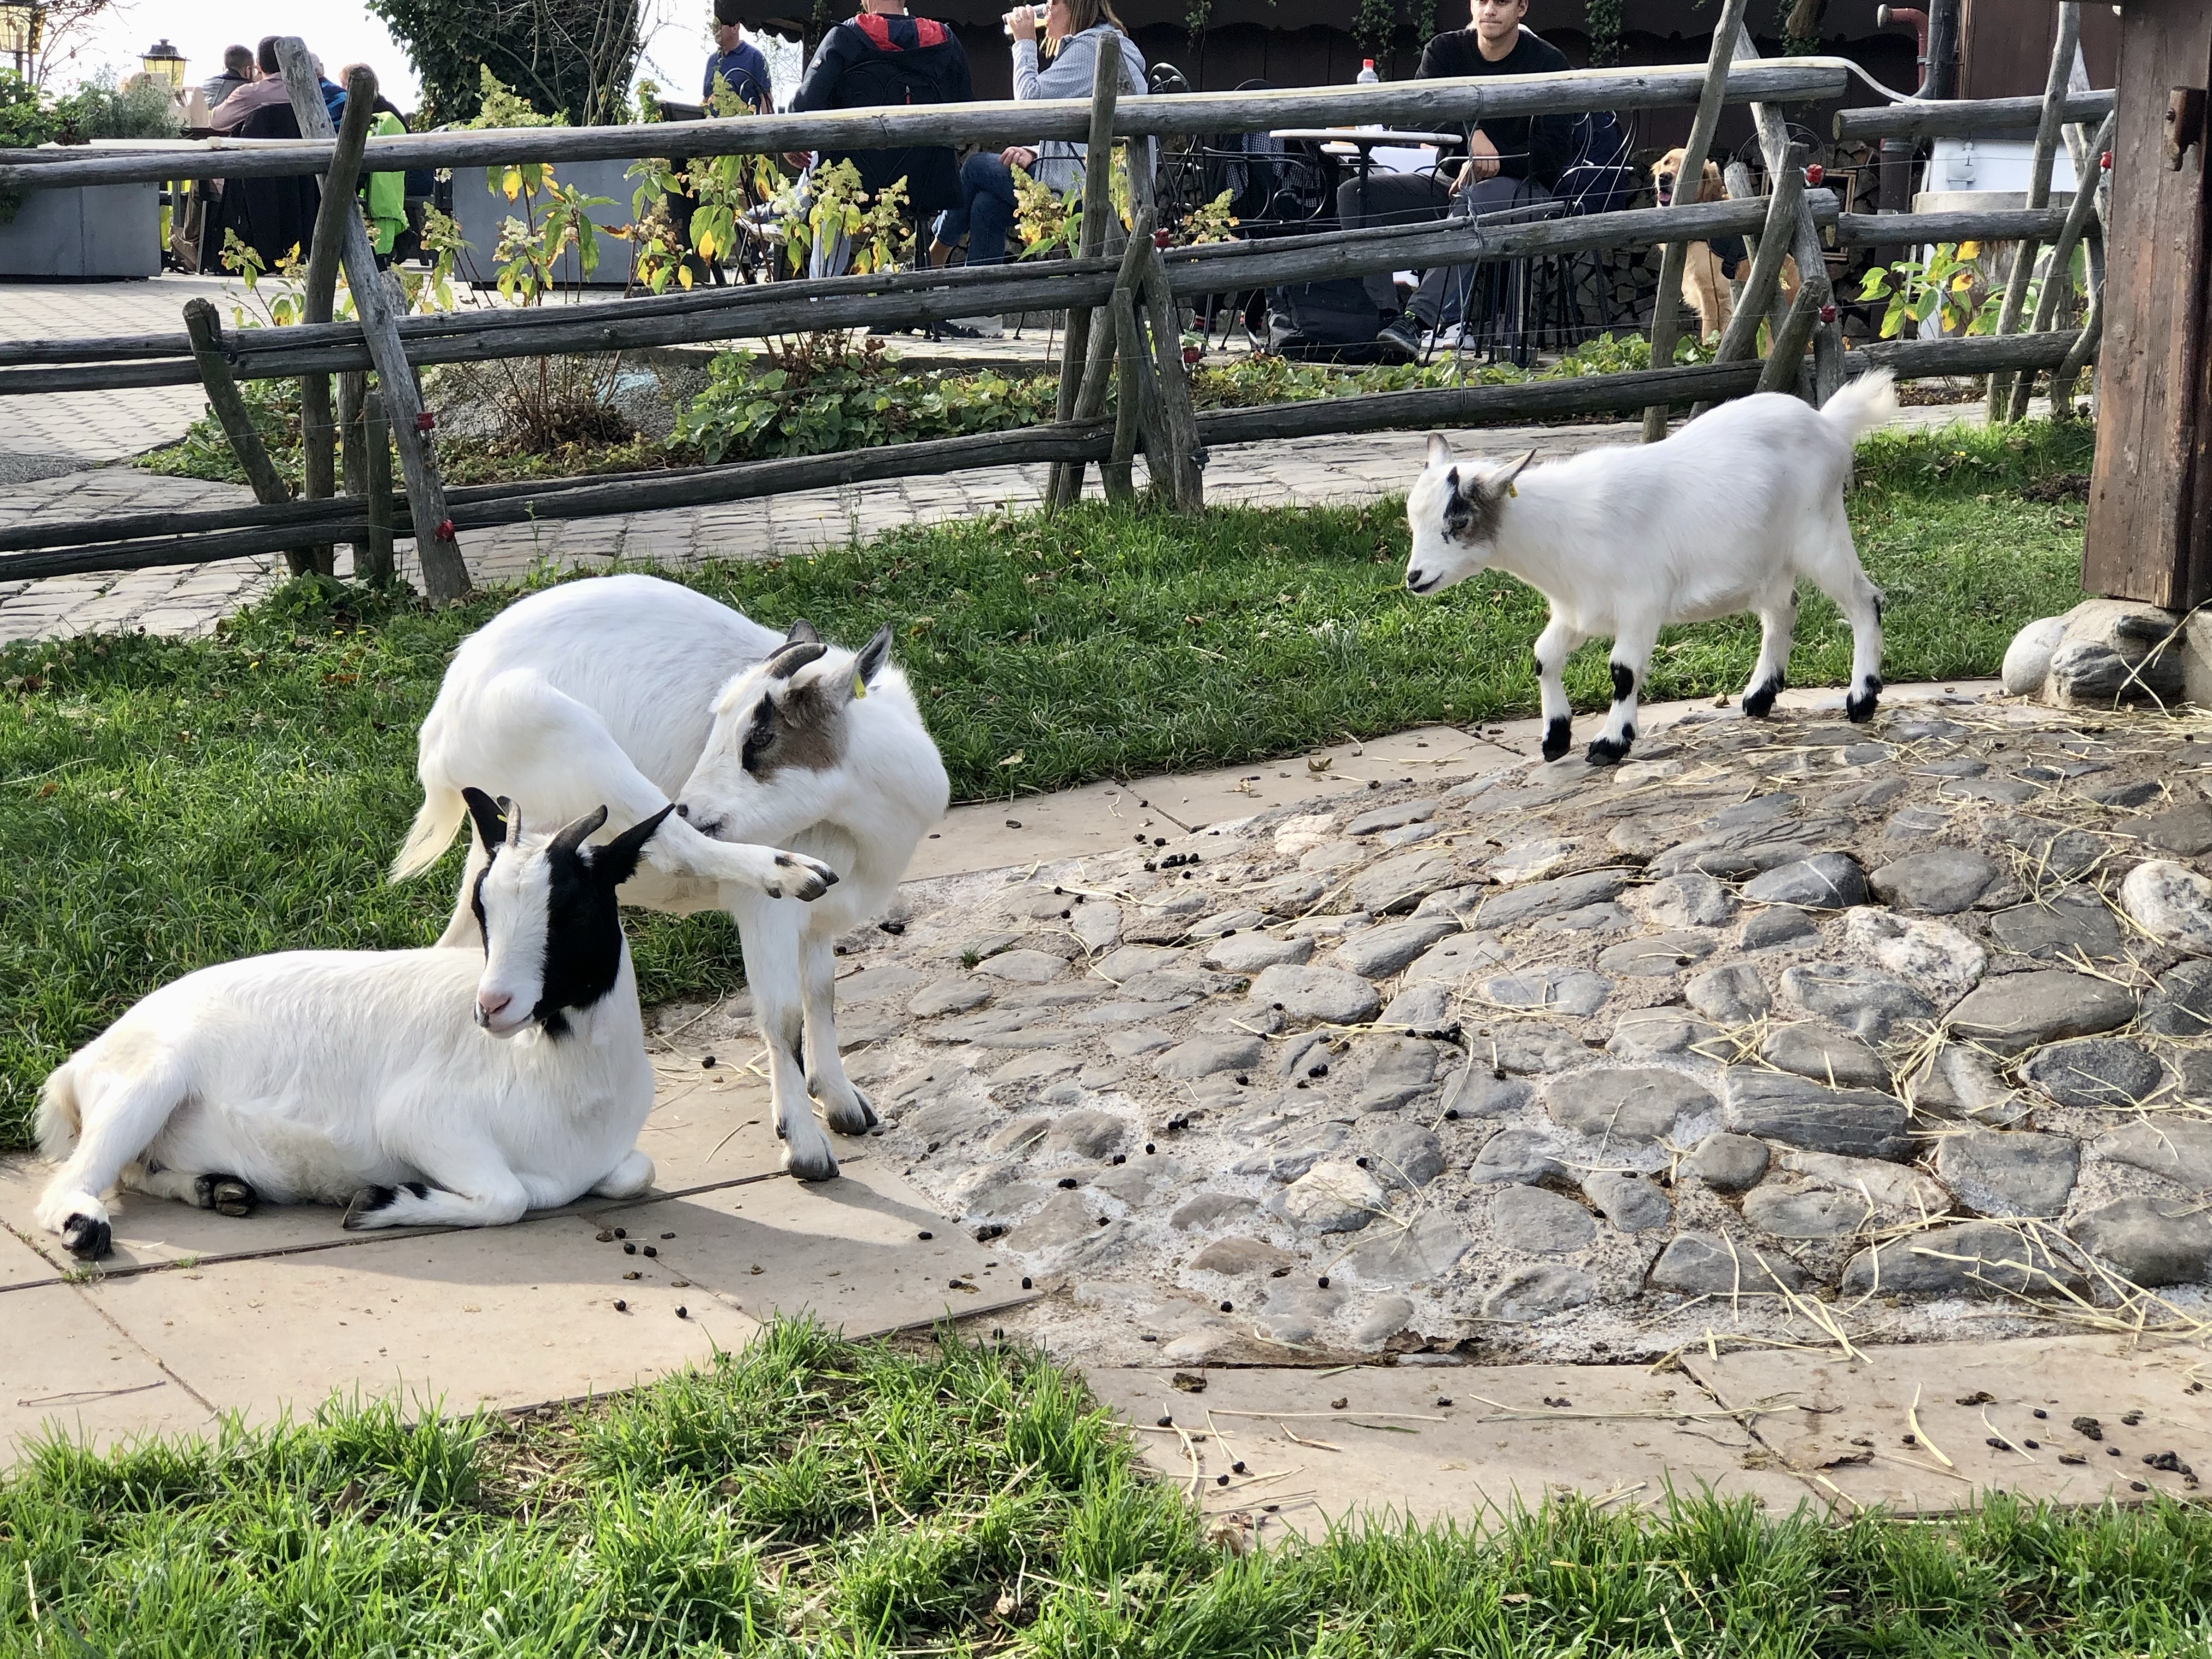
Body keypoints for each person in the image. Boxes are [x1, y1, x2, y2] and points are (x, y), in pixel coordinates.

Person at [1342, 0, 1572, 362]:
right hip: (1450, 183)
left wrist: (1496, 159)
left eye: (1502, 1)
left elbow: (1556, 152)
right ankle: (1384, 321)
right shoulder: (1445, 50)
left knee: (1475, 202)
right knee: (1357, 193)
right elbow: (1417, 114)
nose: (1490, 9)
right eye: (1482, 0)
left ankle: (1416, 321)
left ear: (1522, 8)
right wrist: (1472, 135)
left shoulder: (1548, 63)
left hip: (1525, 190)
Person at [923, 0, 1145, 336]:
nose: (1047, 11)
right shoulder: (1107, 44)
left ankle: (932, 262)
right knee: (987, 205)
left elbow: (1030, 105)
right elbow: (1089, 130)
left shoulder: (1090, 48)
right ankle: (981, 311)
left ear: (1075, 6)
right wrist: (1035, 151)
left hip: (1085, 193)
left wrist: (1024, 43)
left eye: (1053, 3)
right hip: (1094, 181)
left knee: (976, 168)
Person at [787, 0, 972, 277]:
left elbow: (805, 105)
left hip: (854, 181)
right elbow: (966, 107)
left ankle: (823, 293)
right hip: (924, 182)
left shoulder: (844, 38)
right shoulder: (945, 41)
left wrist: (791, 144)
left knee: (829, 183)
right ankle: (922, 291)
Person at [704, 0, 774, 111]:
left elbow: (766, 99)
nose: (714, 31)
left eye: (719, 26)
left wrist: (769, 122)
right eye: (714, 26)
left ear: (735, 28)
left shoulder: (755, 58)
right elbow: (706, 99)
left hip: (744, 122)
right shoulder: (712, 61)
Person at [200, 46, 255, 113]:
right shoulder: (249, 90)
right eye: (254, 70)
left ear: (224, 68)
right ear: (248, 70)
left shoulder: (205, 84)